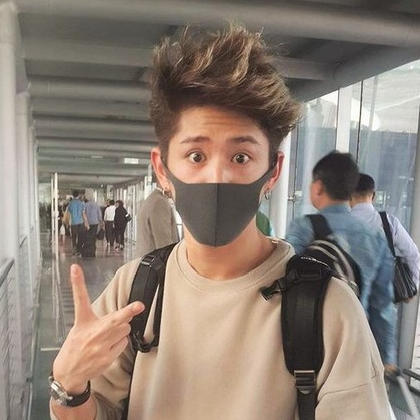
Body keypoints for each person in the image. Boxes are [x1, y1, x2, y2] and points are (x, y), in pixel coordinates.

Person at [50, 26, 390, 420]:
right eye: (195, 156)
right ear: (162, 169)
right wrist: (69, 387)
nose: (217, 177)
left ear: (273, 172)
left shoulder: (329, 310)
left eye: (240, 158)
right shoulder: (136, 289)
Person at [286, 152, 396, 371]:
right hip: (355, 343)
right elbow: (382, 304)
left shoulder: (304, 227)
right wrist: (386, 357)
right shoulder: (375, 236)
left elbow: (284, 276)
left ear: (317, 187)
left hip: (307, 338)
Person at [351, 173, 420, 290]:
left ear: (349, 195)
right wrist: (411, 287)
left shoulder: (338, 223)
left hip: (347, 294)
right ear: (373, 195)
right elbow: (413, 255)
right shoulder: (388, 222)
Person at [136, 177, 179, 257]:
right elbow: (164, 242)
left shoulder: (152, 199)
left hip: (147, 258)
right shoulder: (159, 202)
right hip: (156, 261)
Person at [66, 190, 89, 256]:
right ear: (78, 195)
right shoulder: (81, 203)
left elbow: (68, 214)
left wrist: (67, 223)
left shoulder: (70, 203)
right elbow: (83, 214)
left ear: (73, 195)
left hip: (73, 223)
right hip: (81, 223)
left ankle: (74, 249)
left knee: (74, 237)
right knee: (80, 237)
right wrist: (86, 223)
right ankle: (79, 250)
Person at [83, 191, 103, 257]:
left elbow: (83, 214)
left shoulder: (85, 205)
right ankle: (92, 252)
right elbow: (99, 215)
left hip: (87, 223)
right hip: (95, 223)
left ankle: (87, 252)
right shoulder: (97, 205)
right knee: (93, 237)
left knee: (87, 237)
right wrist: (101, 222)